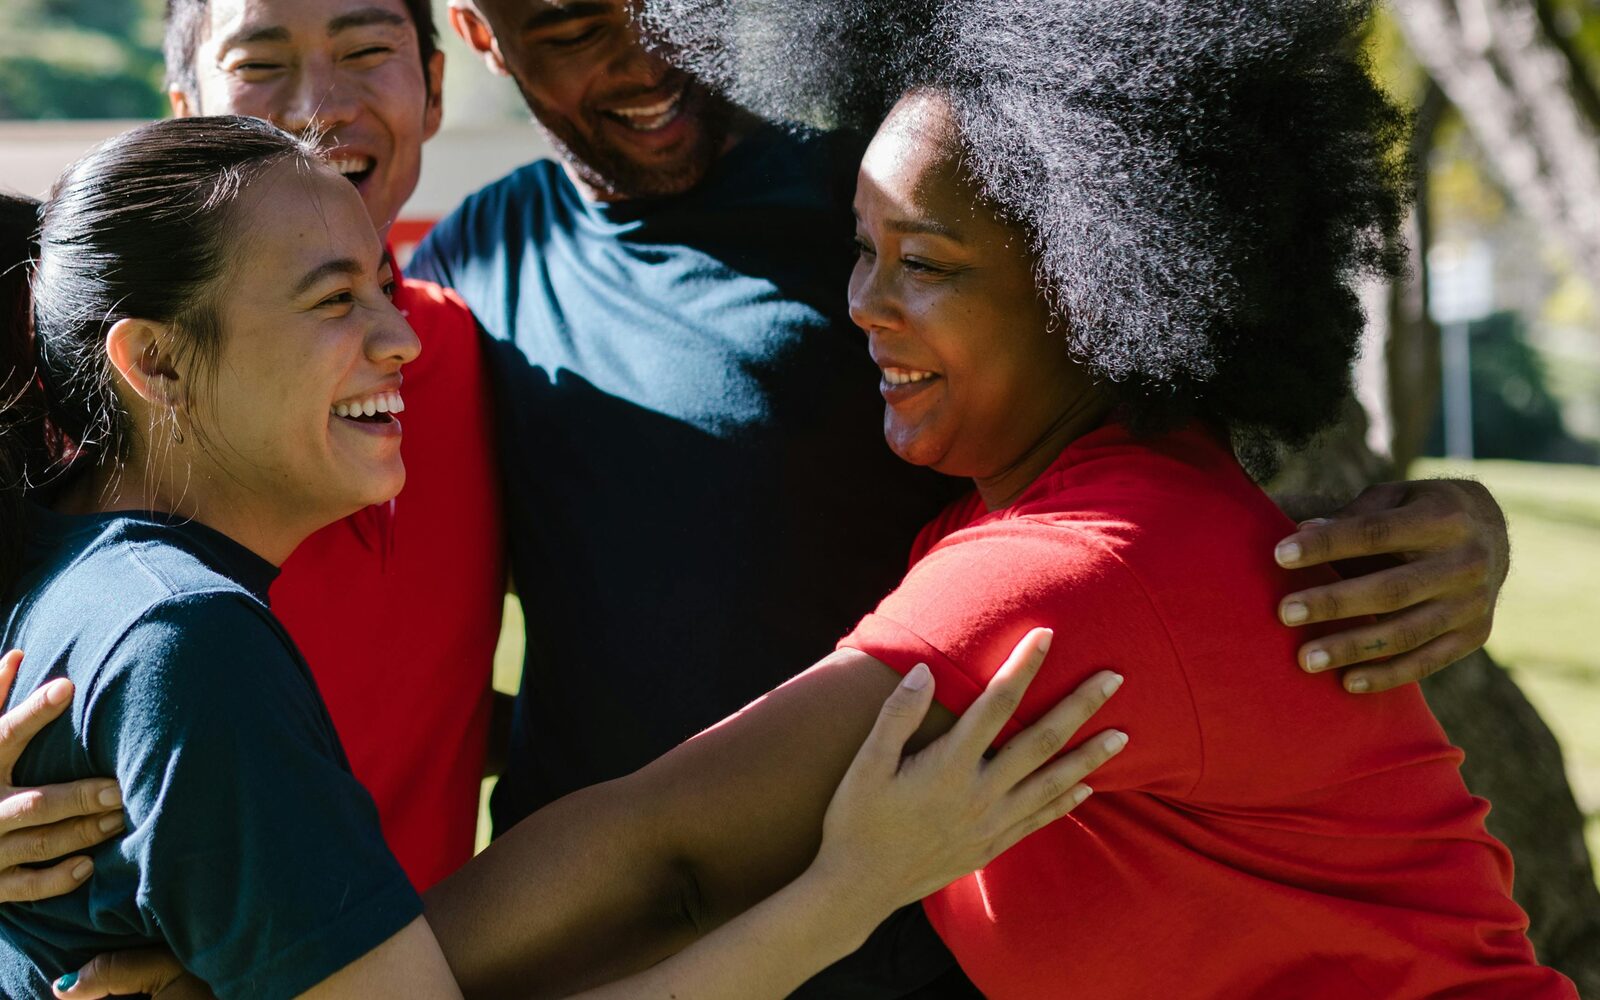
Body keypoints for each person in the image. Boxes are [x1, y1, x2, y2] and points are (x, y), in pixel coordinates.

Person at [410, 0, 1518, 994]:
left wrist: (325, 978)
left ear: (1088, 280)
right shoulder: (1068, 511)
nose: (862, 307)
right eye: (862, 251)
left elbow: (673, 861)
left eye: (926, 266)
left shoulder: (1074, 570)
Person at [0, 117, 1122, 1000]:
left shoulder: (78, 590)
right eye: (334, 300)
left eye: (384, 287)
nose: (397, 338)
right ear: (153, 360)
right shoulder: (185, 641)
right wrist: (855, 884)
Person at [0, 0, 505, 896]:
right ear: (184, 112)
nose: (319, 103)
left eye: (365, 49)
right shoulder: (78, 396)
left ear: (435, 86)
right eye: (260, 61)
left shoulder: (474, 350)